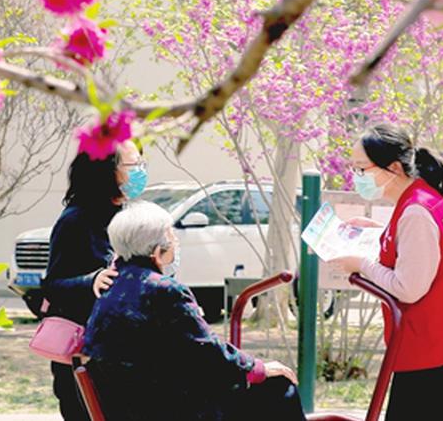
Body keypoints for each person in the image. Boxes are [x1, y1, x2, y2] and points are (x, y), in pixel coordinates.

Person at [82, 201, 306, 421]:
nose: (176, 242)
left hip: (130, 404)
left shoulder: (110, 284)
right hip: (168, 408)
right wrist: (257, 368)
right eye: (171, 236)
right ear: (157, 251)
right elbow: (208, 351)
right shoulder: (164, 290)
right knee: (279, 386)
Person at [332, 124, 443, 421]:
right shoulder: (420, 201)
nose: (357, 177)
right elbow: (418, 251)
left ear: (393, 168)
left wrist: (360, 264)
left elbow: (409, 287)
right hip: (437, 350)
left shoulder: (416, 212)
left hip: (432, 360)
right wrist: (378, 231)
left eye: (362, 169)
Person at [42, 141, 148, 421]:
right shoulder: (76, 220)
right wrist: (92, 281)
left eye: (141, 164)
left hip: (123, 352)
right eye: (132, 165)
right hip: (84, 353)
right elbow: (53, 285)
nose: (140, 172)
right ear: (106, 170)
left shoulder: (130, 216)